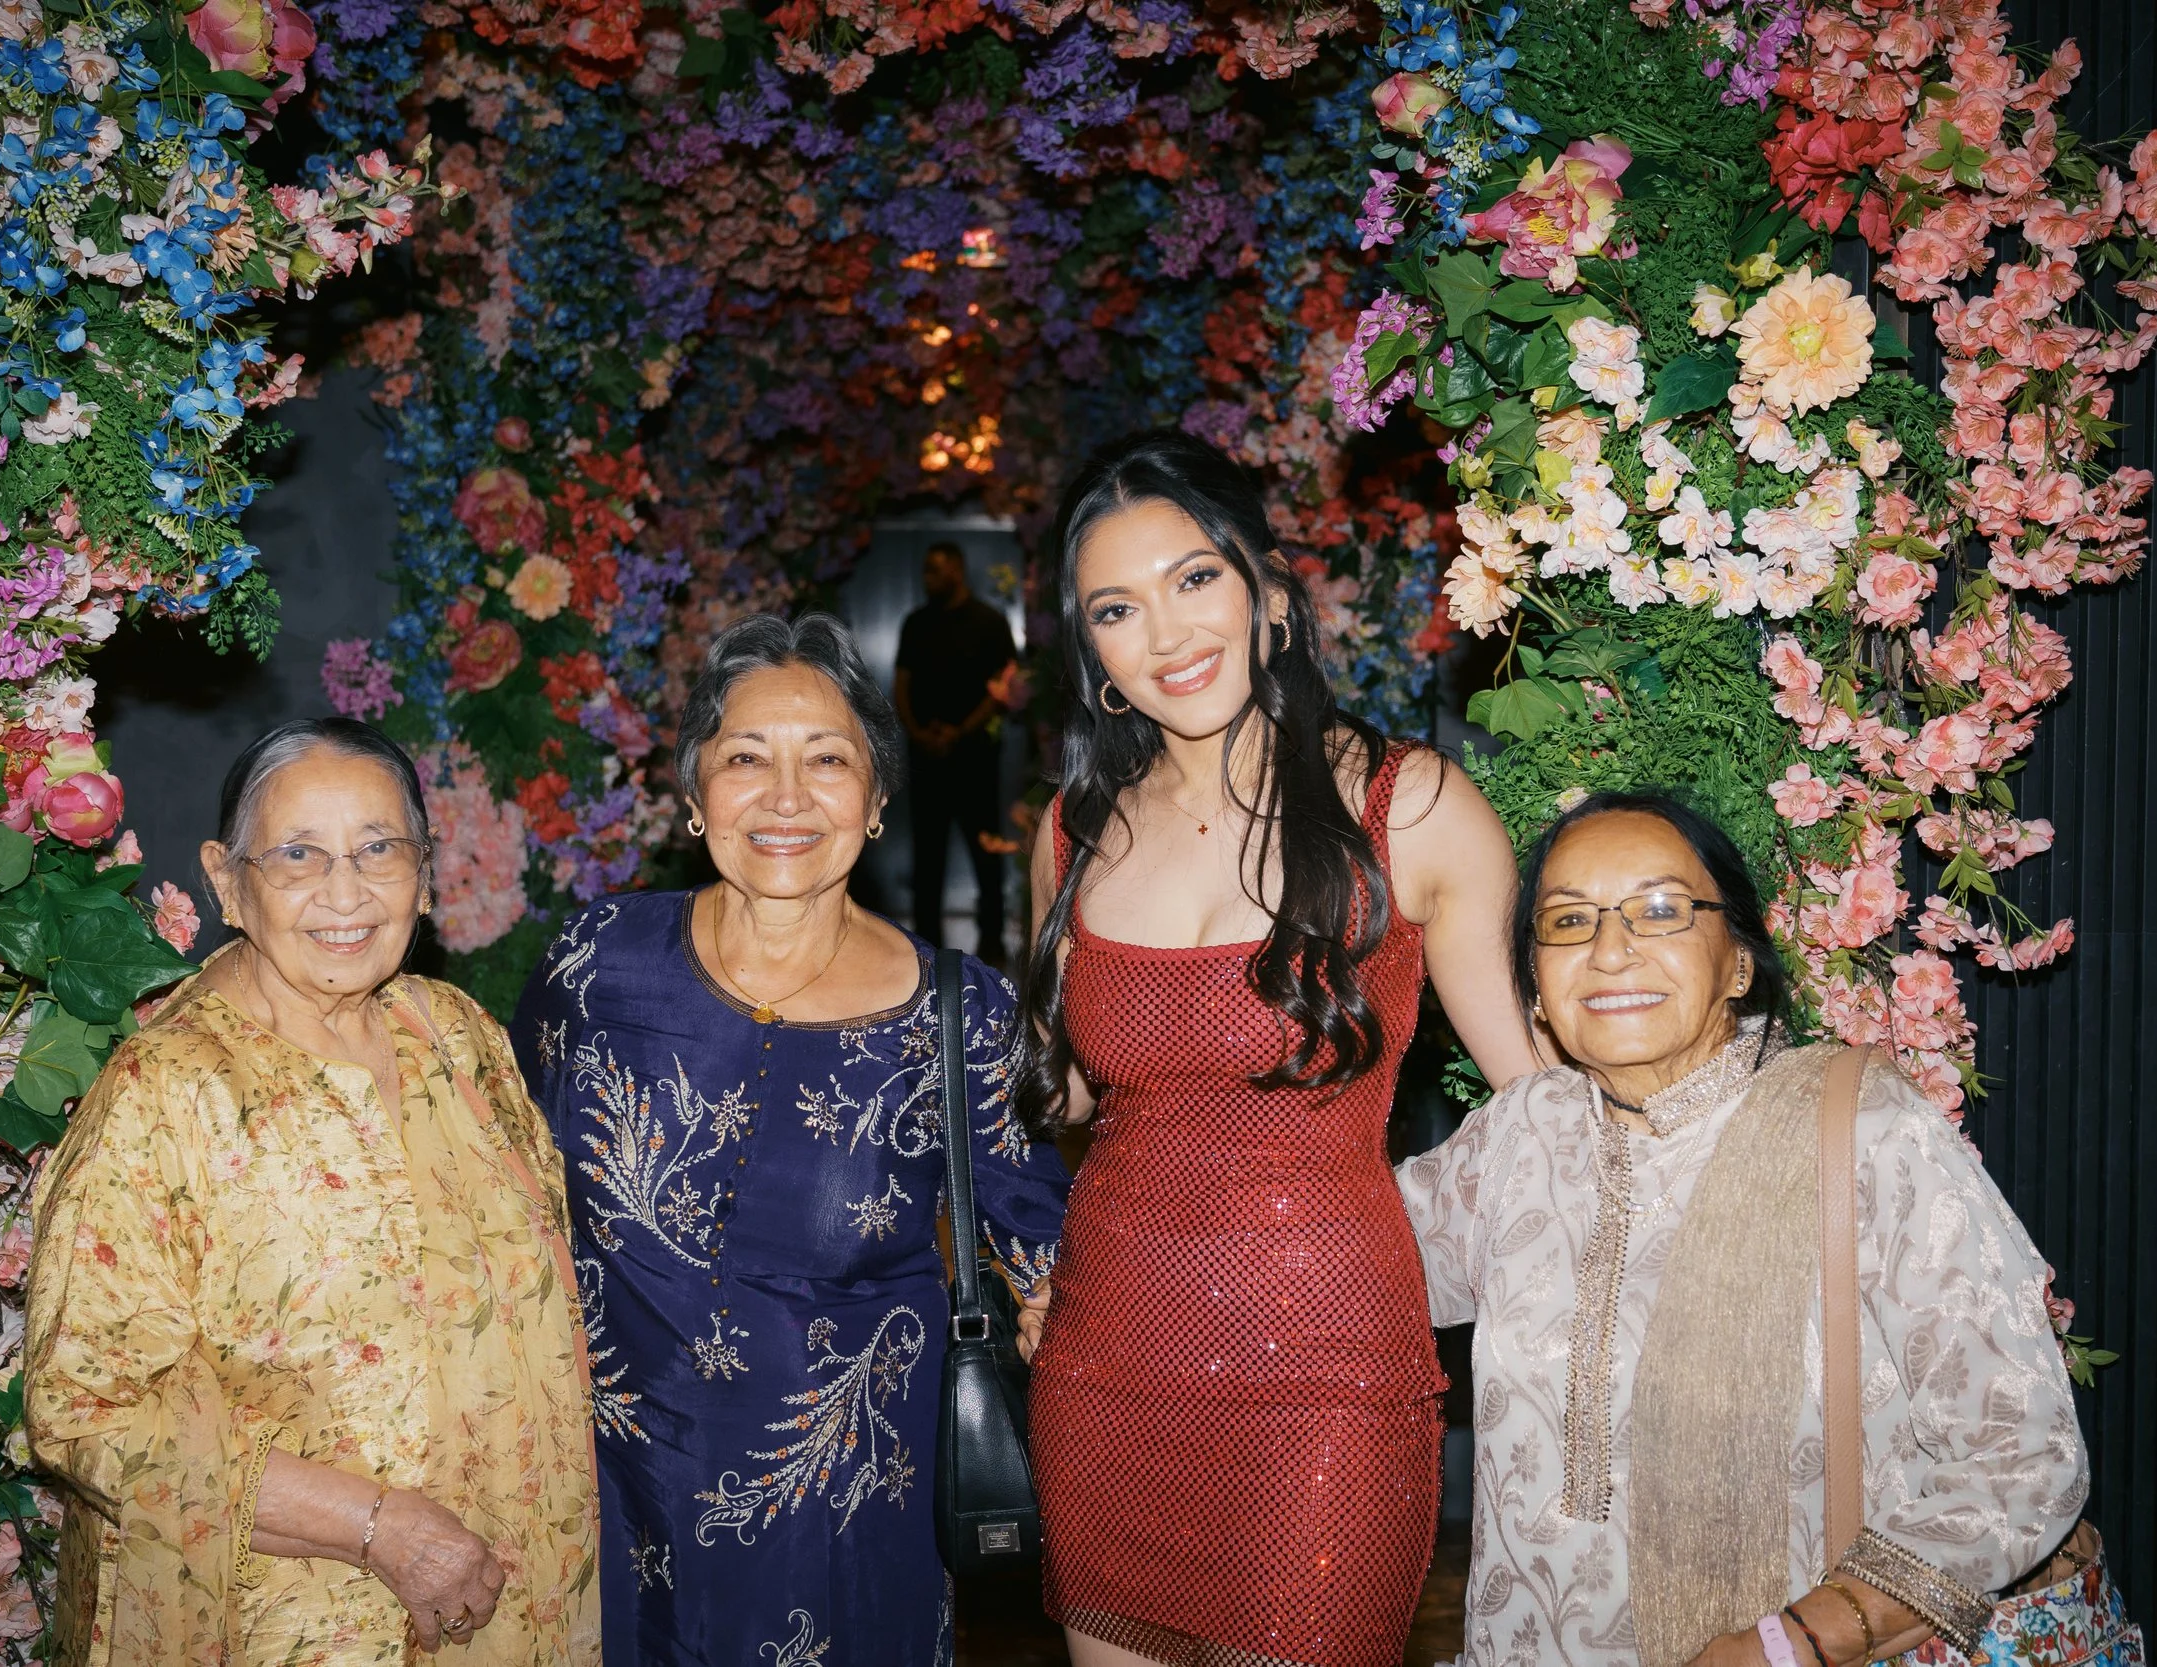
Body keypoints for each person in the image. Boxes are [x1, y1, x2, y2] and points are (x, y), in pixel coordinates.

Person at [1017, 429, 1543, 1667]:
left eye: (1194, 578)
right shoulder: (1072, 835)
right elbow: (1069, 1109)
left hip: (1326, 1379)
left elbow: (1535, 1099)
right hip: (1104, 1372)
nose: (1168, 631)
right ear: (1090, 653)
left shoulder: (1406, 806)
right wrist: (1016, 1264)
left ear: (1263, 589)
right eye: (1116, 607)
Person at [1398, 792, 2087, 1667]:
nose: (1610, 951)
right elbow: (1331, 1275)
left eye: (1660, 910)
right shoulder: (1516, 1137)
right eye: (1568, 920)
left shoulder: (1863, 1131)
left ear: (1737, 963)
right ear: (1535, 985)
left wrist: (1788, 1643)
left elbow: (2023, 1459)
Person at [510, 612, 1071, 1667]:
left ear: (876, 802)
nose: (784, 795)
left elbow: (1056, 1260)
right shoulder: (598, 965)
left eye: (826, 759)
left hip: (850, 1534)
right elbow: (503, 1190)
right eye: (744, 758)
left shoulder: (958, 1017)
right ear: (691, 796)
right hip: (611, 1508)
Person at [25, 718, 600, 1667]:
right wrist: (381, 1528)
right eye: (298, 855)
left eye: (379, 850)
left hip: (513, 1604)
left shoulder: (457, 1038)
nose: (346, 892)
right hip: (287, 1626)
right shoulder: (168, 1090)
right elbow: (87, 1412)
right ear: (226, 880)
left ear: (425, 871)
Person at [894, 538, 1019, 960]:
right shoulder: (915, 623)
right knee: (927, 856)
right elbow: (902, 684)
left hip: (974, 759)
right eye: (925, 569)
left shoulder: (989, 621)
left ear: (957, 571)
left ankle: (993, 944)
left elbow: (1000, 689)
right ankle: (925, 950)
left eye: (935, 569)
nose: (927, 578)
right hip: (926, 758)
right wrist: (918, 733)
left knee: (986, 853)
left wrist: (960, 732)